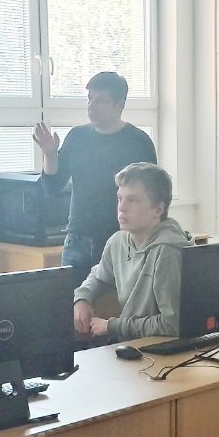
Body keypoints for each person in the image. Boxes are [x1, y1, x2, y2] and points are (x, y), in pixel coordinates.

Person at [34, 71, 158, 286]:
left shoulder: (139, 142)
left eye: (101, 100)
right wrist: (50, 154)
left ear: (119, 105)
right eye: (90, 99)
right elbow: (52, 185)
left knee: (118, 304)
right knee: (72, 301)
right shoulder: (77, 137)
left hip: (122, 240)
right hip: (78, 241)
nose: (92, 106)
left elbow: (154, 194)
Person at [72, 162, 192, 341]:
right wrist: (82, 297)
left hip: (160, 347)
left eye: (133, 200)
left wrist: (112, 326)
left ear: (158, 210)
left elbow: (172, 324)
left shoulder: (168, 250)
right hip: (131, 341)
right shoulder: (118, 241)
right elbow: (99, 277)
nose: (121, 207)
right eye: (120, 198)